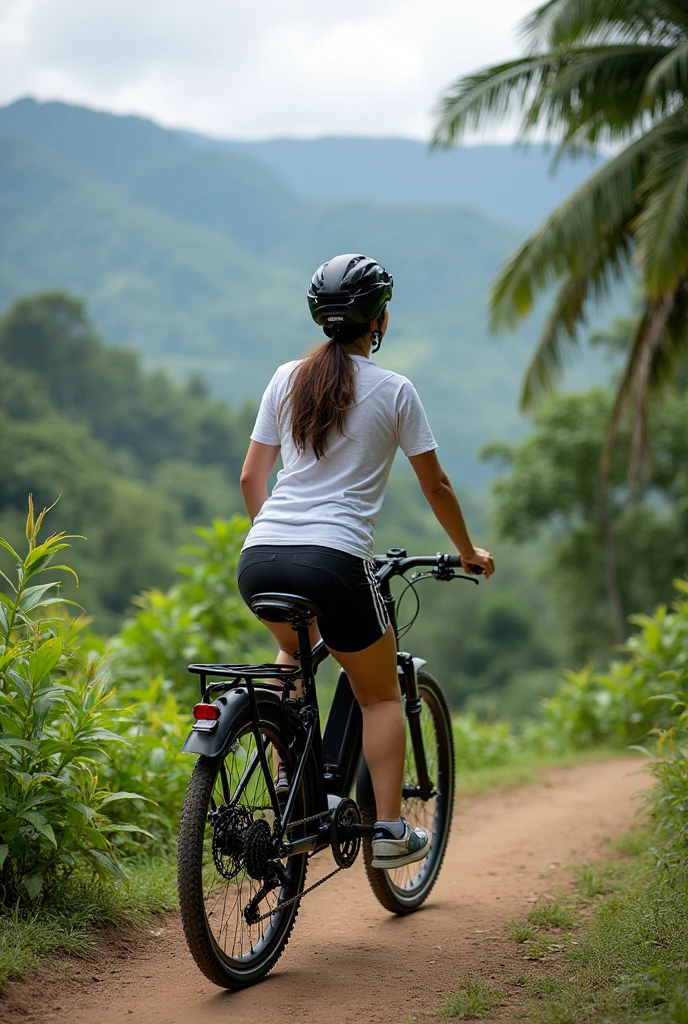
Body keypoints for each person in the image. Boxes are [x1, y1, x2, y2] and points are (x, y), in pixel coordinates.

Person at [237, 253, 494, 870]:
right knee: (378, 695)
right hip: (334, 561)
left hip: (260, 558)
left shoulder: (285, 378)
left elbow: (251, 478)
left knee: (294, 656)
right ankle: (387, 830)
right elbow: (437, 487)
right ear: (377, 320)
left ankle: (288, 796)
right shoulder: (395, 390)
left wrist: (282, 540)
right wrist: (467, 551)